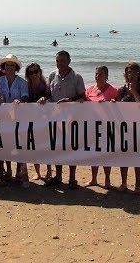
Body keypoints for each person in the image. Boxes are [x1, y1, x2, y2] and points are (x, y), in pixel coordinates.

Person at [38, 51, 85, 189]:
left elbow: (83, 98)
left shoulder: (77, 77)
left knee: (71, 148)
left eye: (63, 61)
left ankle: (72, 178)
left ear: (69, 61)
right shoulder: (52, 75)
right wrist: (43, 99)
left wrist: (71, 101)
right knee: (56, 148)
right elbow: (48, 94)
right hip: (55, 118)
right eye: (57, 61)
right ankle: (58, 176)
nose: (60, 64)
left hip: (71, 119)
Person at [114, 63, 140, 192]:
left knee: (137, 157)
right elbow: (116, 106)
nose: (131, 75)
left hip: (139, 127)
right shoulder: (121, 89)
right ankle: (124, 183)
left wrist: (134, 93)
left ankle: (138, 185)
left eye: (134, 72)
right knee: (124, 156)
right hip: (124, 127)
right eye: (129, 72)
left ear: (139, 74)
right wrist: (113, 103)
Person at [0, 54, 29, 185]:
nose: (9, 67)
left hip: (18, 118)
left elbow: (26, 96)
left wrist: (20, 100)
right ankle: (8, 170)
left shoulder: (22, 82)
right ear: (4, 67)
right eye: (7, 65)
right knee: (6, 144)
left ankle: (18, 171)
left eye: (12, 65)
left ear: (16, 67)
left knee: (19, 145)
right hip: (4, 117)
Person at [84, 66, 118, 188]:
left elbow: (119, 106)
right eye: (96, 74)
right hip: (92, 125)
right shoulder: (89, 90)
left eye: (101, 74)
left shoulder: (113, 90)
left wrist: (113, 103)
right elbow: (82, 105)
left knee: (105, 153)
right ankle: (93, 179)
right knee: (94, 152)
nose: (98, 76)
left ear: (107, 76)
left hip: (106, 126)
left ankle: (107, 179)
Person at [25, 62, 52, 180]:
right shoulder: (26, 86)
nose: (34, 74)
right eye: (31, 72)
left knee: (46, 147)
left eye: (36, 71)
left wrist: (45, 98)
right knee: (34, 146)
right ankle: (37, 172)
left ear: (40, 72)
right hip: (31, 120)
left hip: (45, 120)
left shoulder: (46, 85)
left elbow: (51, 98)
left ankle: (49, 170)